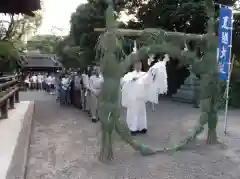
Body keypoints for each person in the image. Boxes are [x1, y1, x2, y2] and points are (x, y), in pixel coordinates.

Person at [121, 55, 169, 136]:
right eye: (137, 64)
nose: (138, 66)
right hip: (133, 98)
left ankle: (142, 127)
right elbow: (123, 81)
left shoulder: (143, 74)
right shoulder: (129, 74)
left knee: (141, 113)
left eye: (140, 64)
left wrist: (154, 71)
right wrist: (131, 80)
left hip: (141, 98)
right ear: (133, 65)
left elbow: (148, 80)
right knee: (133, 113)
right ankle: (133, 128)